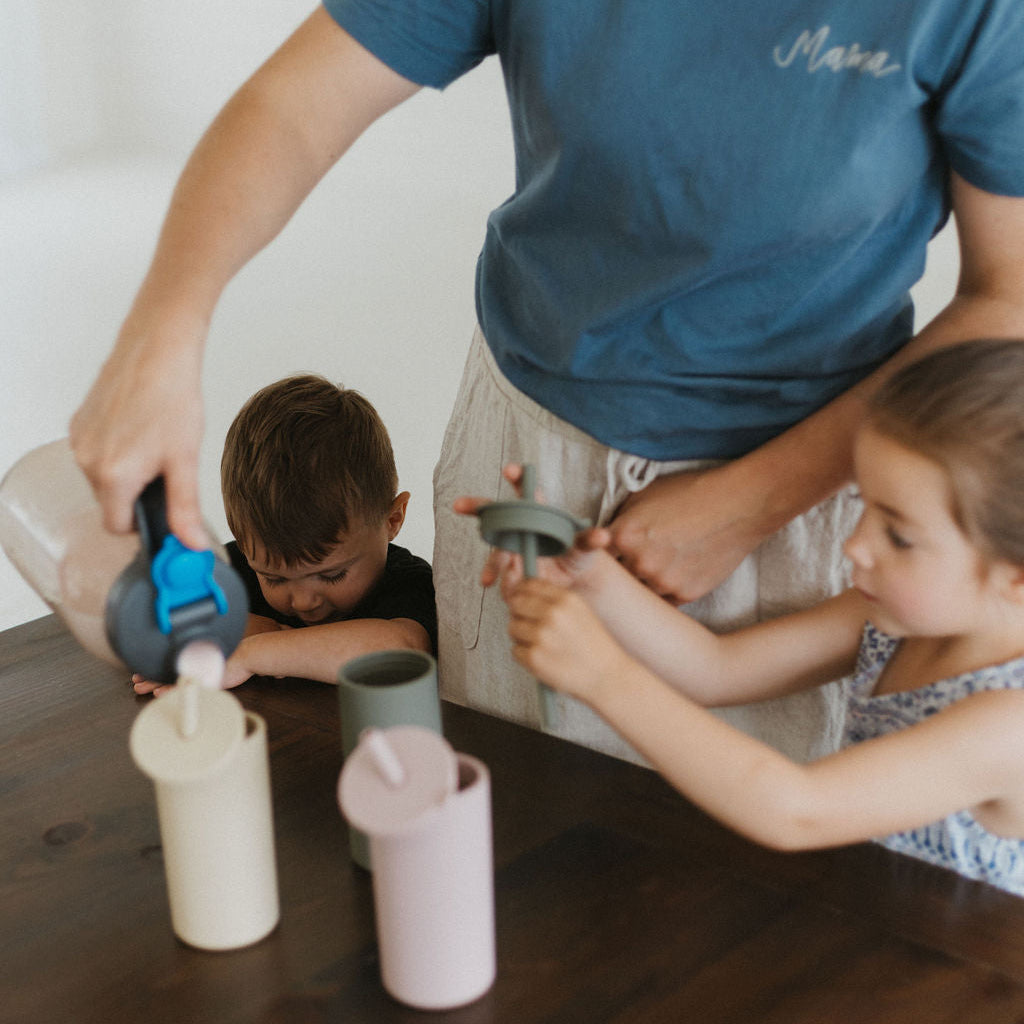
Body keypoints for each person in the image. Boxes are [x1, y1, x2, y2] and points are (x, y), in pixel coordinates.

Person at [69, 4, 1024, 759]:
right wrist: (163, 328)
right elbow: (294, 107)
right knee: (518, 819)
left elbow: (1008, 297)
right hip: (527, 458)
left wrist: (751, 501)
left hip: (802, 479)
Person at [485, 340, 1024, 895]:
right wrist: (593, 575)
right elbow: (717, 668)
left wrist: (604, 677)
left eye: (899, 535)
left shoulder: (1008, 725)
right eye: (865, 508)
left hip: (962, 963)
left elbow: (797, 810)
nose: (855, 546)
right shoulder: (890, 616)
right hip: (874, 918)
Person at [132, 374, 436, 696]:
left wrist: (253, 652)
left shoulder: (408, 584)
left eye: (332, 575)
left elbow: (401, 650)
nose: (304, 601)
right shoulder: (236, 570)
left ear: (392, 519)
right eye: (274, 579)